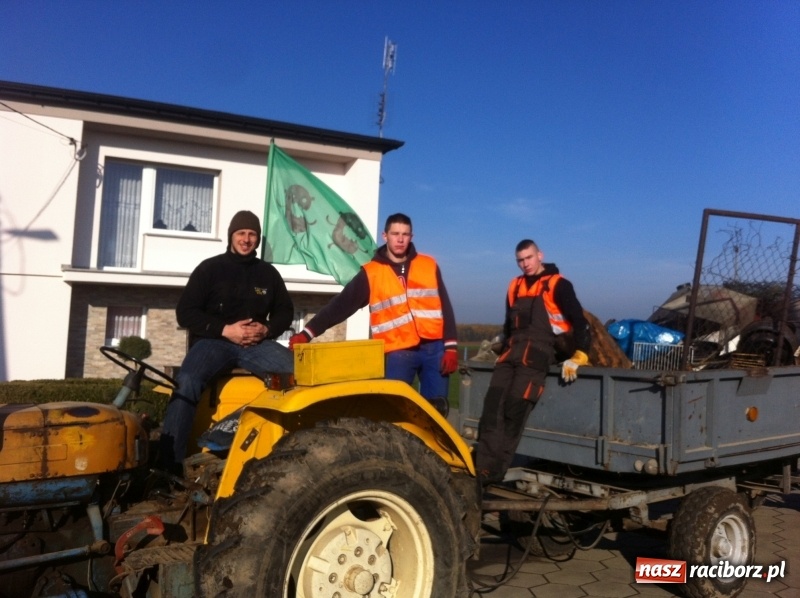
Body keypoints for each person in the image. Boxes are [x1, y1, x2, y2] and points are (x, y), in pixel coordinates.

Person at [158, 210, 295, 474]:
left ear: (258, 239)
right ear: (232, 235)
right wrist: (224, 329)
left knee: (297, 377)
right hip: (213, 342)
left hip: (257, 345)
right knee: (186, 382)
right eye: (241, 233)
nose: (246, 239)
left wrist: (266, 329)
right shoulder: (210, 268)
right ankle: (167, 468)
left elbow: (285, 312)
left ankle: (250, 439)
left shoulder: (268, 274)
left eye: (252, 234)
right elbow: (185, 312)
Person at [288, 213, 458, 416]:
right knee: (392, 412)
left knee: (437, 413)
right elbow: (341, 305)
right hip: (399, 351)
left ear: (411, 236)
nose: (400, 239)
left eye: (405, 234)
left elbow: (444, 306)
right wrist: (307, 333)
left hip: (434, 349)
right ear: (385, 236)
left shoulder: (428, 265)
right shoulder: (371, 273)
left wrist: (451, 346)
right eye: (395, 234)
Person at [476, 239, 591, 485]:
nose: (525, 264)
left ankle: (495, 472)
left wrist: (579, 355)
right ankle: (481, 471)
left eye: (529, 258)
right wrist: (498, 344)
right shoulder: (514, 286)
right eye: (520, 260)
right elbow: (509, 324)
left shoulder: (558, 285)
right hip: (511, 352)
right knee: (492, 409)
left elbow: (580, 322)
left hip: (541, 351)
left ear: (540, 255)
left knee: (514, 410)